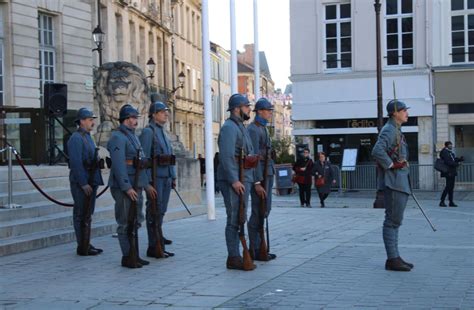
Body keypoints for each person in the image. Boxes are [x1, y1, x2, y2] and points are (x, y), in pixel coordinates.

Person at [217, 93, 265, 270]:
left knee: (241, 216)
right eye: (246, 106)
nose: (249, 110)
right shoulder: (229, 127)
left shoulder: (241, 127)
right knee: (234, 218)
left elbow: (249, 154)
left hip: (244, 177)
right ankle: (234, 256)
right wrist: (234, 180)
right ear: (237, 108)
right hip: (234, 179)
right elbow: (227, 156)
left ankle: (238, 254)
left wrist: (255, 180)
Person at [107, 104, 157, 268]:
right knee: (125, 221)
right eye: (133, 118)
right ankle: (127, 256)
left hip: (136, 184)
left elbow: (140, 162)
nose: (136, 120)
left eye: (136, 117)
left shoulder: (133, 136)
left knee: (135, 220)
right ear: (126, 119)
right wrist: (127, 187)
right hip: (125, 186)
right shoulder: (118, 137)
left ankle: (134, 253)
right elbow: (119, 165)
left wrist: (144, 184)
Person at [372, 99, 413, 272]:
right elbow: (377, 151)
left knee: (395, 221)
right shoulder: (389, 130)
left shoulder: (396, 130)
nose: (407, 113)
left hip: (399, 181)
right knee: (392, 221)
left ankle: (395, 256)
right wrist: (391, 165)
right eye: (403, 110)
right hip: (394, 182)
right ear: (395, 113)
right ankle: (392, 259)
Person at [140, 101, 177, 258]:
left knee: (161, 211)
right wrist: (147, 183)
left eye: (166, 111)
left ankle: (158, 241)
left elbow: (169, 156)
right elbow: (144, 159)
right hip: (155, 179)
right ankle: (153, 245)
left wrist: (173, 175)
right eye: (162, 112)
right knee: (154, 211)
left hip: (166, 177)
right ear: (154, 114)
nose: (166, 114)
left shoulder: (163, 132)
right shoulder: (149, 132)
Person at [67, 108, 104, 256]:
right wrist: (83, 183)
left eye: (92, 119)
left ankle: (86, 242)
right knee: (81, 213)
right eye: (89, 119)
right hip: (82, 181)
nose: (92, 122)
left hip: (91, 179)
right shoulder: (76, 138)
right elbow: (76, 163)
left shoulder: (88, 137)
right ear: (81, 121)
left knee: (88, 213)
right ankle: (82, 244)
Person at [247, 97, 277, 261]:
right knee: (258, 211)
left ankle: (260, 247)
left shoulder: (263, 128)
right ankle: (255, 248)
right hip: (260, 175)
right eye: (268, 110)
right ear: (259, 111)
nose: (270, 113)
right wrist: (257, 181)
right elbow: (253, 158)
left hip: (268, 173)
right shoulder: (253, 129)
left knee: (265, 210)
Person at [439, 141, 464, 207]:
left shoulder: (450, 152)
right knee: (448, 187)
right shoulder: (445, 152)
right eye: (450, 145)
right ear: (447, 145)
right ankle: (442, 201)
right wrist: (457, 164)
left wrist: (459, 159)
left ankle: (451, 202)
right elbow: (448, 162)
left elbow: (453, 160)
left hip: (452, 171)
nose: (451, 146)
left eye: (451, 144)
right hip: (448, 172)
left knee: (451, 187)